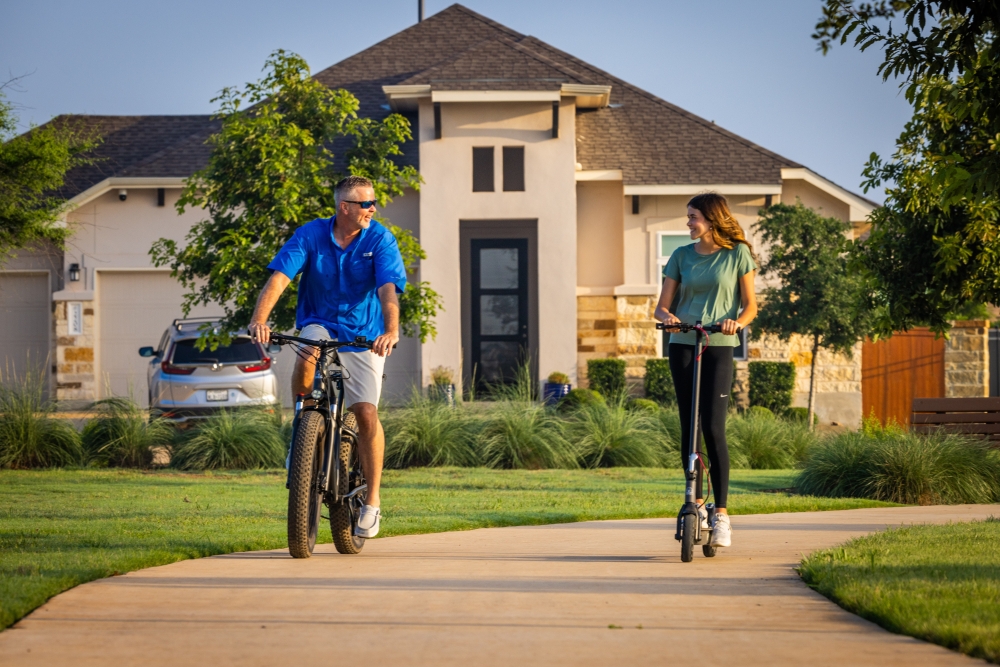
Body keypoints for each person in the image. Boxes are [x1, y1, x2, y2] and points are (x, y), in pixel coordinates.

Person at [248, 175, 406, 539]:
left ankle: (373, 503)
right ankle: (302, 434)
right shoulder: (310, 234)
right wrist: (260, 319)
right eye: (366, 204)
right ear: (344, 207)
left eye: (373, 203)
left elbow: (387, 288)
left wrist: (391, 331)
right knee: (307, 352)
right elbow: (280, 277)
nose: (373, 209)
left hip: (364, 334)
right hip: (320, 322)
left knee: (365, 411)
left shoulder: (380, 238)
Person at [653, 192, 758, 548]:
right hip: (683, 344)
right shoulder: (681, 256)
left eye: (693, 217)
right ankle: (695, 503)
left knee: (713, 427)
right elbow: (661, 307)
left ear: (712, 219)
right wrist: (668, 320)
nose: (688, 223)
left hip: (719, 345)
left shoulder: (738, 253)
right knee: (689, 426)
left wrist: (736, 324)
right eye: (688, 217)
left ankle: (722, 514)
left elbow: (750, 307)